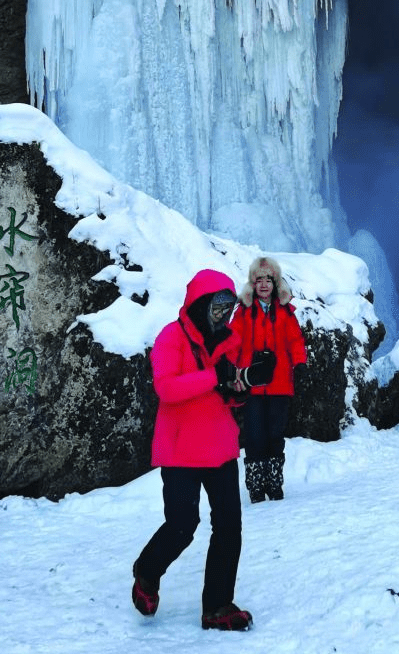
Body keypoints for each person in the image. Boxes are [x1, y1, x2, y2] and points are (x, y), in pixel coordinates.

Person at [131, 268, 273, 632]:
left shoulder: (227, 340)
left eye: (227, 309)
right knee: (183, 524)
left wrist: (241, 387)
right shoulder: (171, 338)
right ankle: (146, 574)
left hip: (220, 447)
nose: (223, 315)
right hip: (180, 449)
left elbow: (227, 396)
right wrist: (215, 377)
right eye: (216, 307)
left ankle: (217, 606)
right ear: (198, 305)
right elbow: (167, 388)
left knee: (229, 526)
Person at [231, 256, 307, 504]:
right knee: (254, 437)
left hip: (279, 383)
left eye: (268, 279)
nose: (264, 284)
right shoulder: (244, 312)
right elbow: (233, 342)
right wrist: (230, 372)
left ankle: (274, 484)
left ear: (275, 283)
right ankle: (255, 487)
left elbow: (295, 340)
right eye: (259, 279)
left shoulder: (285, 312)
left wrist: (300, 364)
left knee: (275, 435)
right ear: (253, 283)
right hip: (252, 385)